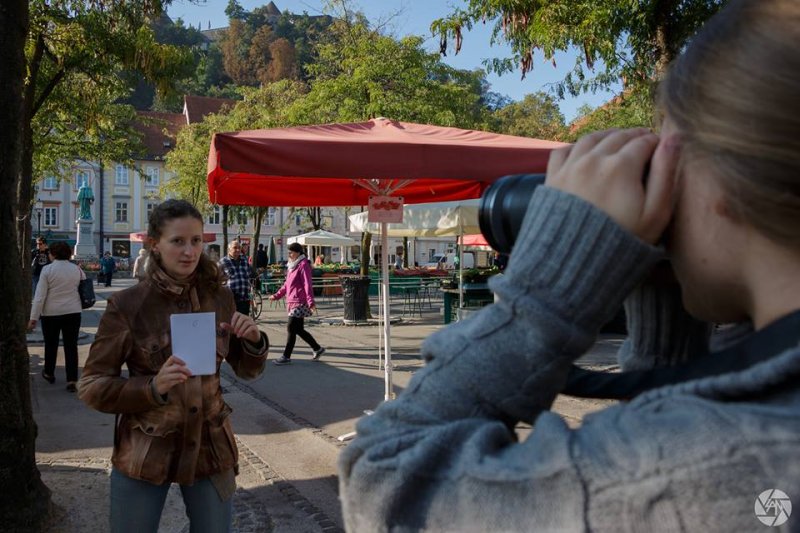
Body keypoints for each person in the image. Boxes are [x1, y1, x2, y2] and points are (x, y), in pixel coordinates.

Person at [338, 1, 800, 531]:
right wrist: (665, 332)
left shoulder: (711, 460)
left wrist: (545, 294)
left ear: (722, 183)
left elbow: (386, 481)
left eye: (668, 166)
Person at [78, 199, 269, 532]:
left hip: (211, 445)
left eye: (196, 241)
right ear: (155, 245)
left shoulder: (220, 297)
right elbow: (92, 386)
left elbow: (249, 370)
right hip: (146, 448)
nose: (189, 251)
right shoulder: (128, 305)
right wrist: (152, 388)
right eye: (177, 241)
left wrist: (253, 342)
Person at [28, 242, 84, 392]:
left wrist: (33, 318)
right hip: (73, 311)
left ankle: (49, 373)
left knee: (51, 344)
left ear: (53, 254)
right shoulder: (76, 269)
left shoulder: (47, 270)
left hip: (51, 313)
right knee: (71, 346)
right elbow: (83, 285)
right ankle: (72, 379)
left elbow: (40, 297)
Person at [269, 242, 325, 365]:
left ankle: (286, 356)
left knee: (291, 327)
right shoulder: (292, 265)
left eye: (291, 252)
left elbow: (307, 284)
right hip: (292, 300)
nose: (289, 254)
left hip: (300, 301)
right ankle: (317, 348)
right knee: (298, 329)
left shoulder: (303, 264)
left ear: (298, 252)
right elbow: (287, 284)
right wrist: (277, 295)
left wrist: (311, 301)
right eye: (288, 252)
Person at [219, 240, 254, 316]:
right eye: (235, 248)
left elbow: (249, 274)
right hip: (230, 300)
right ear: (229, 249)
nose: (238, 250)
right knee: (231, 323)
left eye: (239, 248)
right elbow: (217, 280)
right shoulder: (223, 262)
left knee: (243, 324)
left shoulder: (244, 260)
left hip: (244, 300)